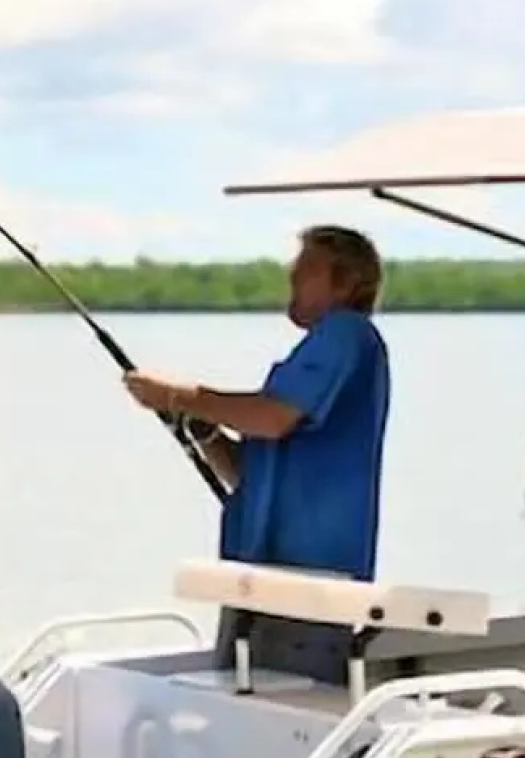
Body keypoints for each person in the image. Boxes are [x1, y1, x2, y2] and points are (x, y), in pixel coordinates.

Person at [121, 224, 391, 685]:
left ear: (345, 284)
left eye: (306, 269)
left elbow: (273, 418)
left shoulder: (347, 334)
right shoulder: (314, 356)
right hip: (260, 580)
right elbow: (246, 472)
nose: (291, 276)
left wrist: (180, 395)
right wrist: (205, 431)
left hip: (310, 583)